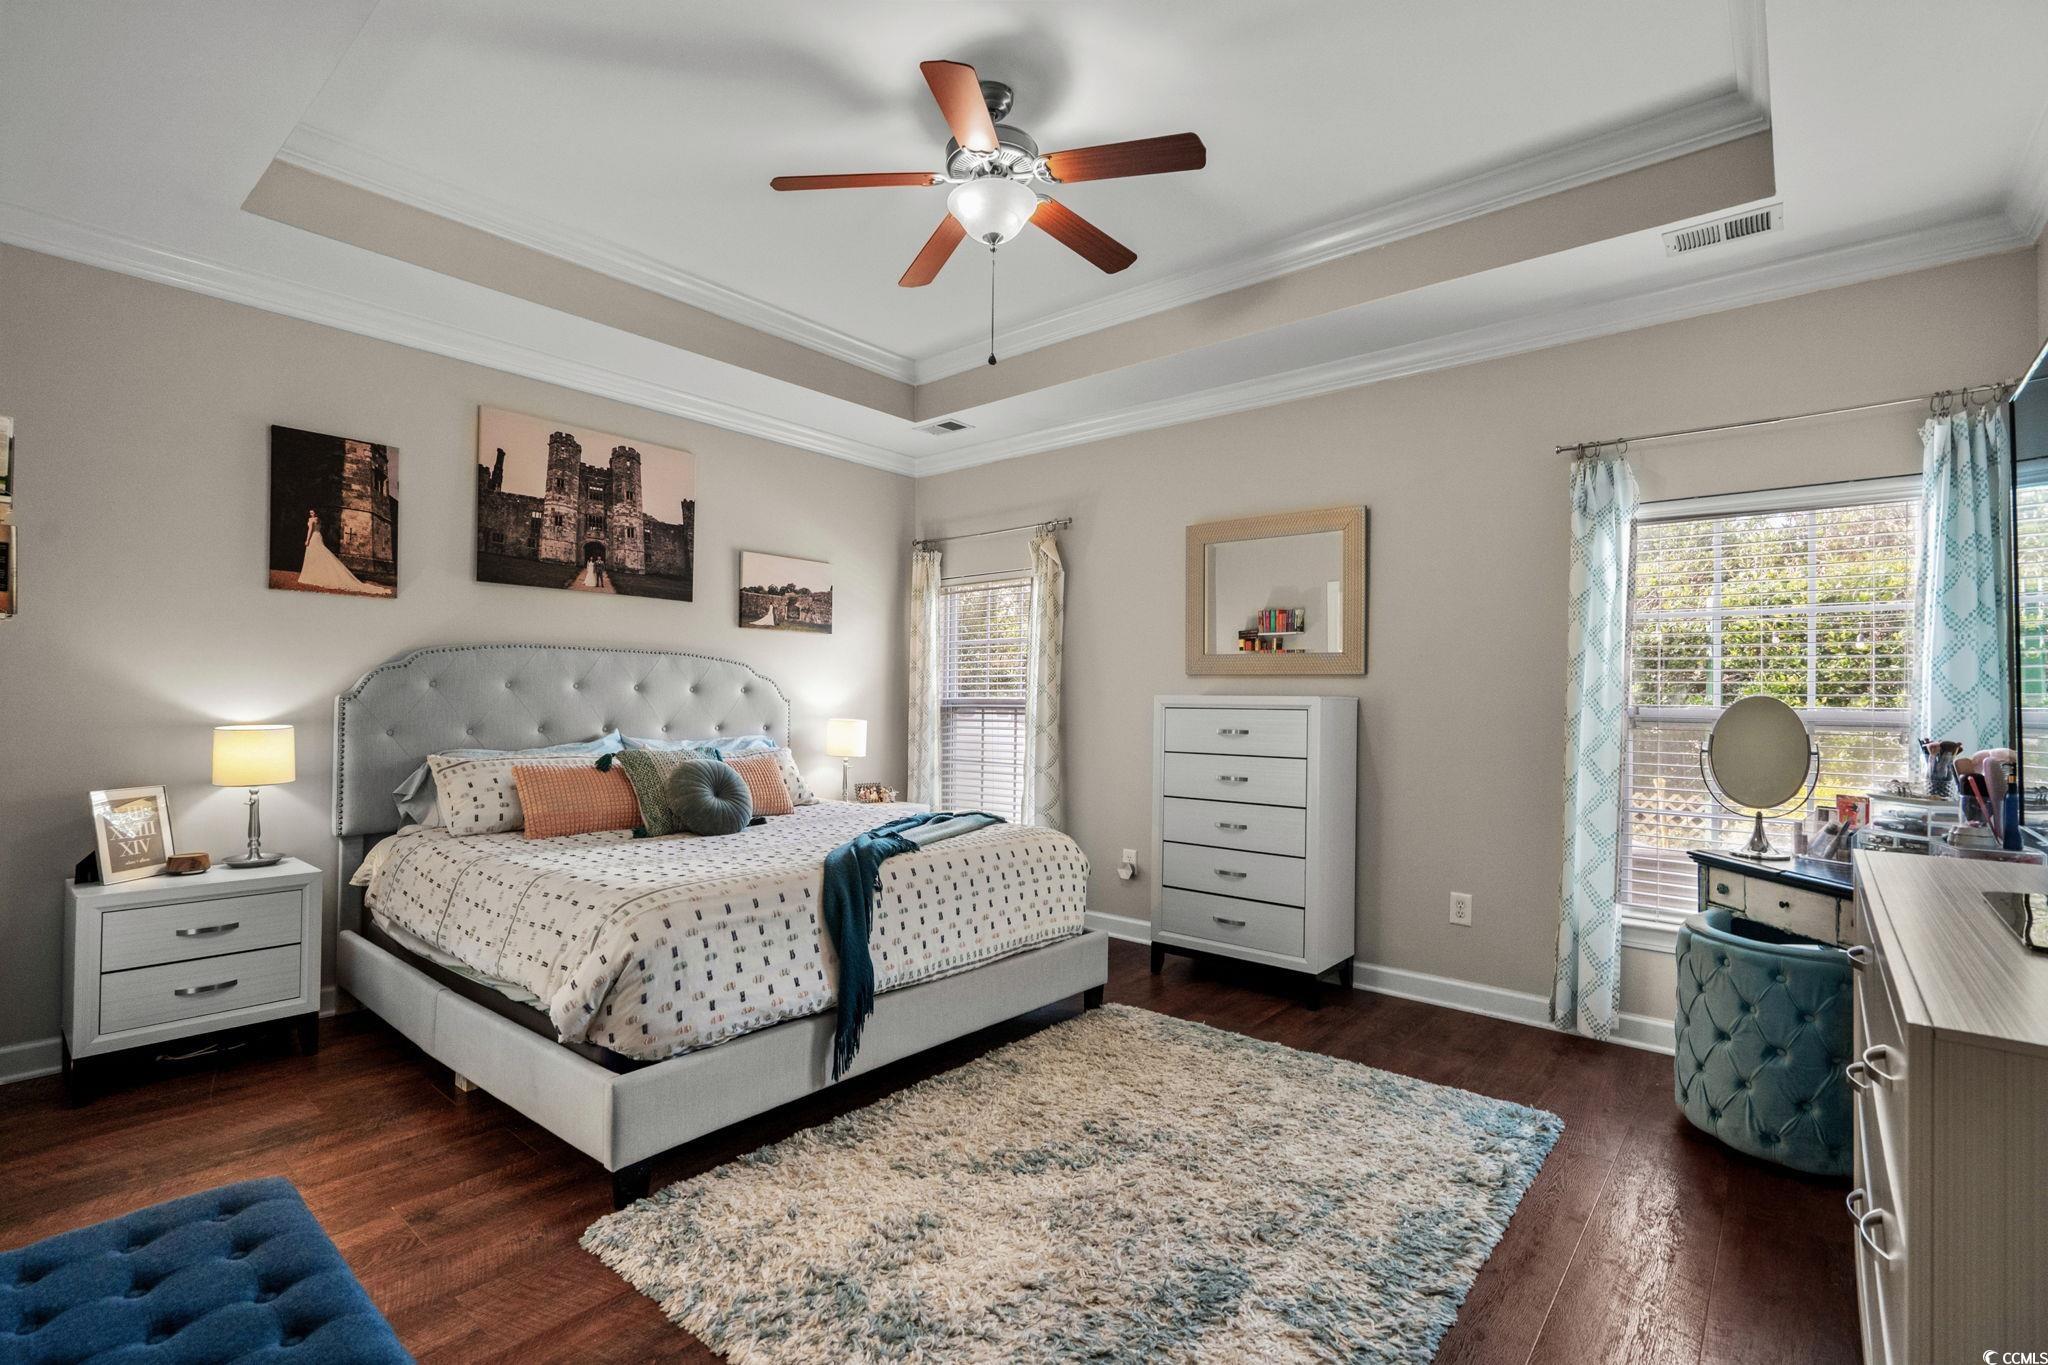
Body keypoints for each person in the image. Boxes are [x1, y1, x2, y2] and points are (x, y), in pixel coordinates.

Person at [297, 509, 369, 592]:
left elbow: (310, 530)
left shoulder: (311, 520)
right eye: (310, 512)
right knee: (320, 554)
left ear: (315, 513)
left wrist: (307, 540)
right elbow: (318, 530)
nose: (311, 514)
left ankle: (312, 574)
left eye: (312, 512)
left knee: (314, 555)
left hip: (313, 537)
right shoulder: (319, 520)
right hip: (319, 536)